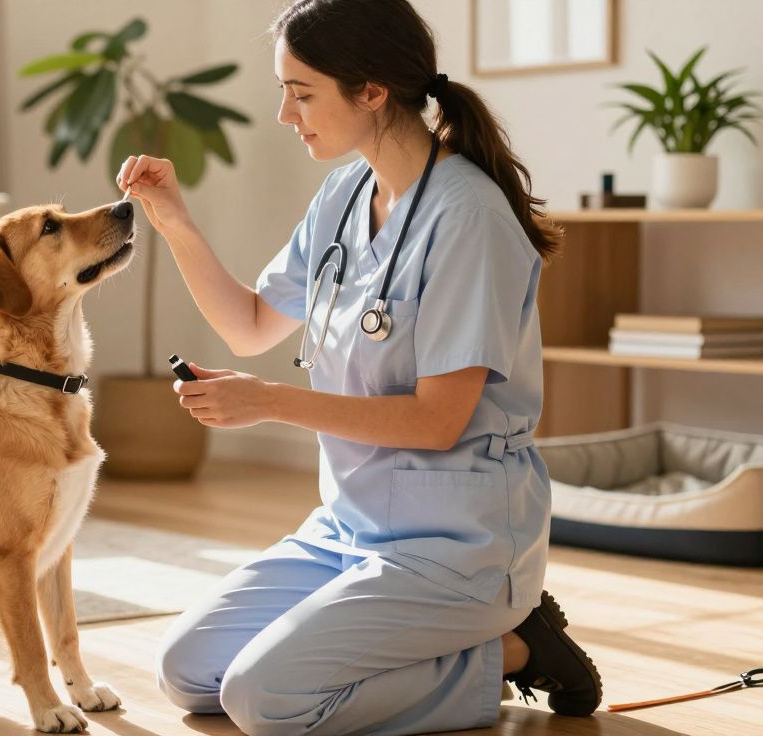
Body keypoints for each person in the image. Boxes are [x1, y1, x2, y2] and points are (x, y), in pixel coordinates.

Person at [114, 1, 601, 734]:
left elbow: (438, 423)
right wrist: (176, 224)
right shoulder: (343, 196)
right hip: (349, 527)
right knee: (189, 671)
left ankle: (511, 649)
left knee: (264, 699)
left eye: (301, 92)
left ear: (371, 89)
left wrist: (270, 402)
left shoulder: (468, 216)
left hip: (458, 540)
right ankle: (477, 648)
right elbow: (250, 327)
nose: (286, 113)